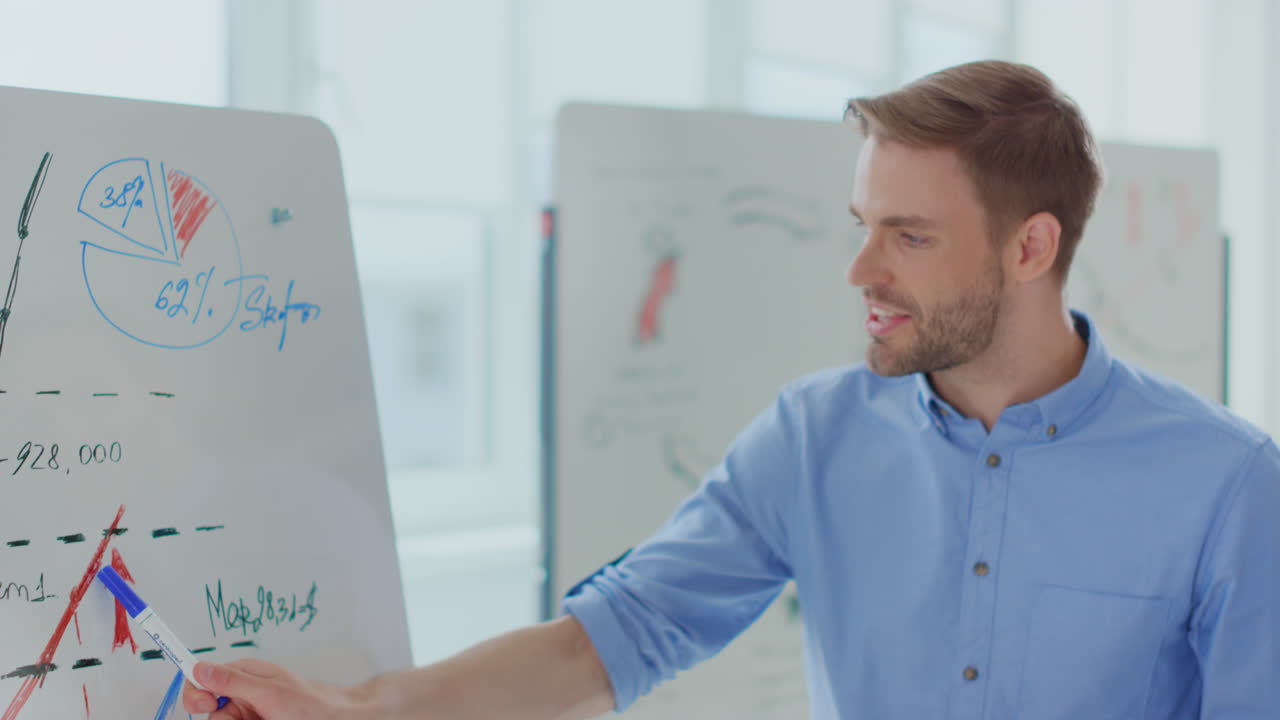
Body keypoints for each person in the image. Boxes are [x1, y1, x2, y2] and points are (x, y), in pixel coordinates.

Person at [184, 60, 1280, 719]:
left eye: (908, 236)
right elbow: (611, 639)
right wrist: (359, 710)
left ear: (1030, 247)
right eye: (861, 226)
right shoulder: (812, 437)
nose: (860, 271)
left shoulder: (1224, 484)